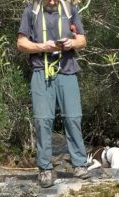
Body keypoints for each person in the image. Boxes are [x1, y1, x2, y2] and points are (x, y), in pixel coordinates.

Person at [17, 0, 89, 187]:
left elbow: (82, 40)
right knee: (43, 120)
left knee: (73, 118)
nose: (52, 2)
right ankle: (45, 169)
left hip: (67, 70)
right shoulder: (31, 11)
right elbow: (21, 43)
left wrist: (70, 43)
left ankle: (80, 165)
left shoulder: (69, 8)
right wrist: (42, 47)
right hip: (41, 71)